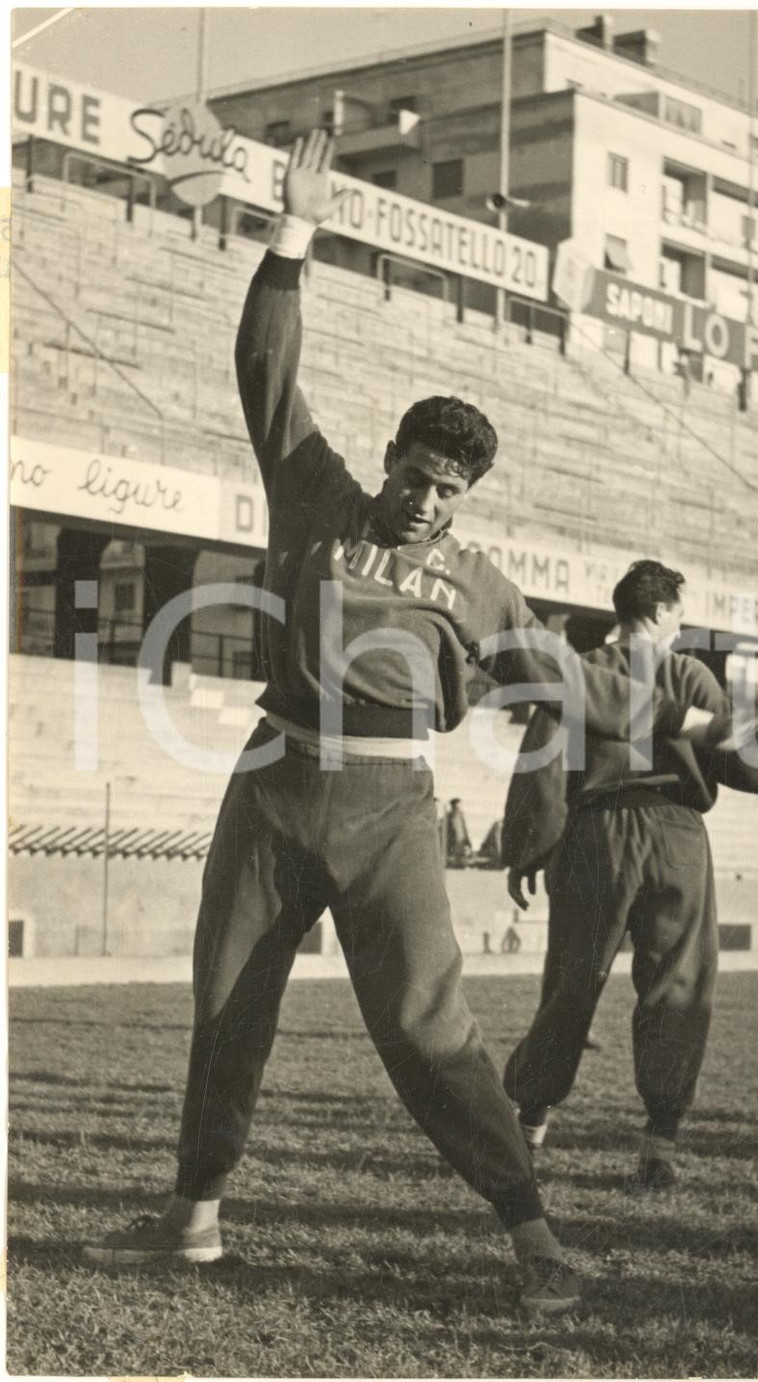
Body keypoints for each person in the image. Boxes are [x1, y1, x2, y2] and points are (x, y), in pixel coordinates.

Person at [83, 133, 721, 1314]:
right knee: (226, 1007)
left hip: (388, 808)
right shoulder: (319, 494)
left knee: (430, 1029)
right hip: (273, 780)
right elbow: (263, 367)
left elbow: (567, 696)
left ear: (468, 498)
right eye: (420, 472)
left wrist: (623, 754)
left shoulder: (479, 581)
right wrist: (295, 233)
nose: (429, 498)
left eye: (451, 488)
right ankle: (195, 1219)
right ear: (391, 458)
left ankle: (533, 1240)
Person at [501, 560, 758, 1190]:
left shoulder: (580, 670)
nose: (682, 625)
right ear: (656, 612)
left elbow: (543, 759)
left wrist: (527, 847)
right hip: (676, 834)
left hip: (595, 833)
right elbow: (747, 759)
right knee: (678, 983)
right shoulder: (687, 674)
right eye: (679, 612)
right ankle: (660, 1141)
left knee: (572, 978)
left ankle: (531, 1123)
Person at [445, 797, 473, 868]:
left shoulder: (461, 817)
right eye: (458, 806)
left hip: (462, 843)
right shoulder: (449, 817)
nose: (459, 808)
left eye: (460, 806)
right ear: (453, 807)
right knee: (455, 861)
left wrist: (469, 843)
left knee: (462, 860)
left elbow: (465, 831)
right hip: (453, 844)